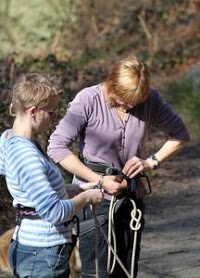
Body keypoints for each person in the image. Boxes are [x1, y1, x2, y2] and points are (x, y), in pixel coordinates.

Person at [48, 54, 190, 278]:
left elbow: (180, 135)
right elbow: (57, 147)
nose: (131, 105)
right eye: (125, 99)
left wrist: (151, 162)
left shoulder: (151, 99)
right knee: (97, 273)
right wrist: (99, 180)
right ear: (111, 84)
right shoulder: (88, 99)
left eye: (136, 101)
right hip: (93, 200)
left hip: (131, 197)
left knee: (127, 270)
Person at [0, 73, 104, 278]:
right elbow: (54, 212)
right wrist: (87, 198)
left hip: (37, 249)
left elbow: (38, 192)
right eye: (52, 112)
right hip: (43, 254)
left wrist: (85, 187)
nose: (55, 118)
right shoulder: (26, 156)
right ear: (33, 112)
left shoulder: (12, 141)